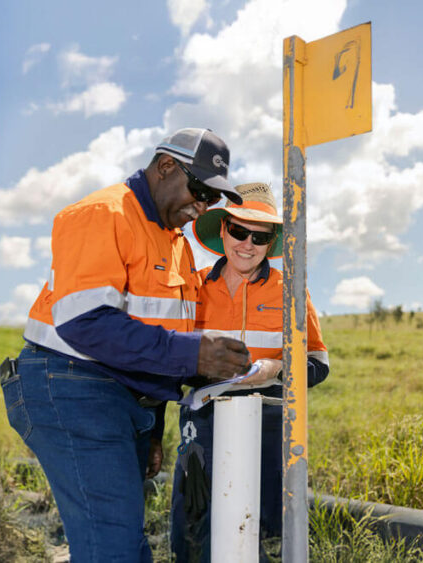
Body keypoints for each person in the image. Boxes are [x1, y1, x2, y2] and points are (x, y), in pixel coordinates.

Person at [0, 128, 254, 562]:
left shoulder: (177, 245)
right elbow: (86, 323)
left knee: (124, 540)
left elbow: (154, 346)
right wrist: (195, 353)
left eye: (212, 200)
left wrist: (152, 431)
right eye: (199, 191)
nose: (202, 207)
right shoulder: (103, 214)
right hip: (70, 384)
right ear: (166, 166)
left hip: (122, 398)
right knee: (113, 546)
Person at [170, 182, 330, 562]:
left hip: (270, 425)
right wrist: (201, 369)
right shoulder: (193, 286)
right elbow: (168, 358)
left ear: (271, 242)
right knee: (195, 527)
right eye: (240, 231)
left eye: (259, 237)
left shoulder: (290, 290)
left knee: (263, 531)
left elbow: (318, 366)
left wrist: (278, 369)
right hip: (203, 424)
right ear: (223, 229)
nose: (247, 244)